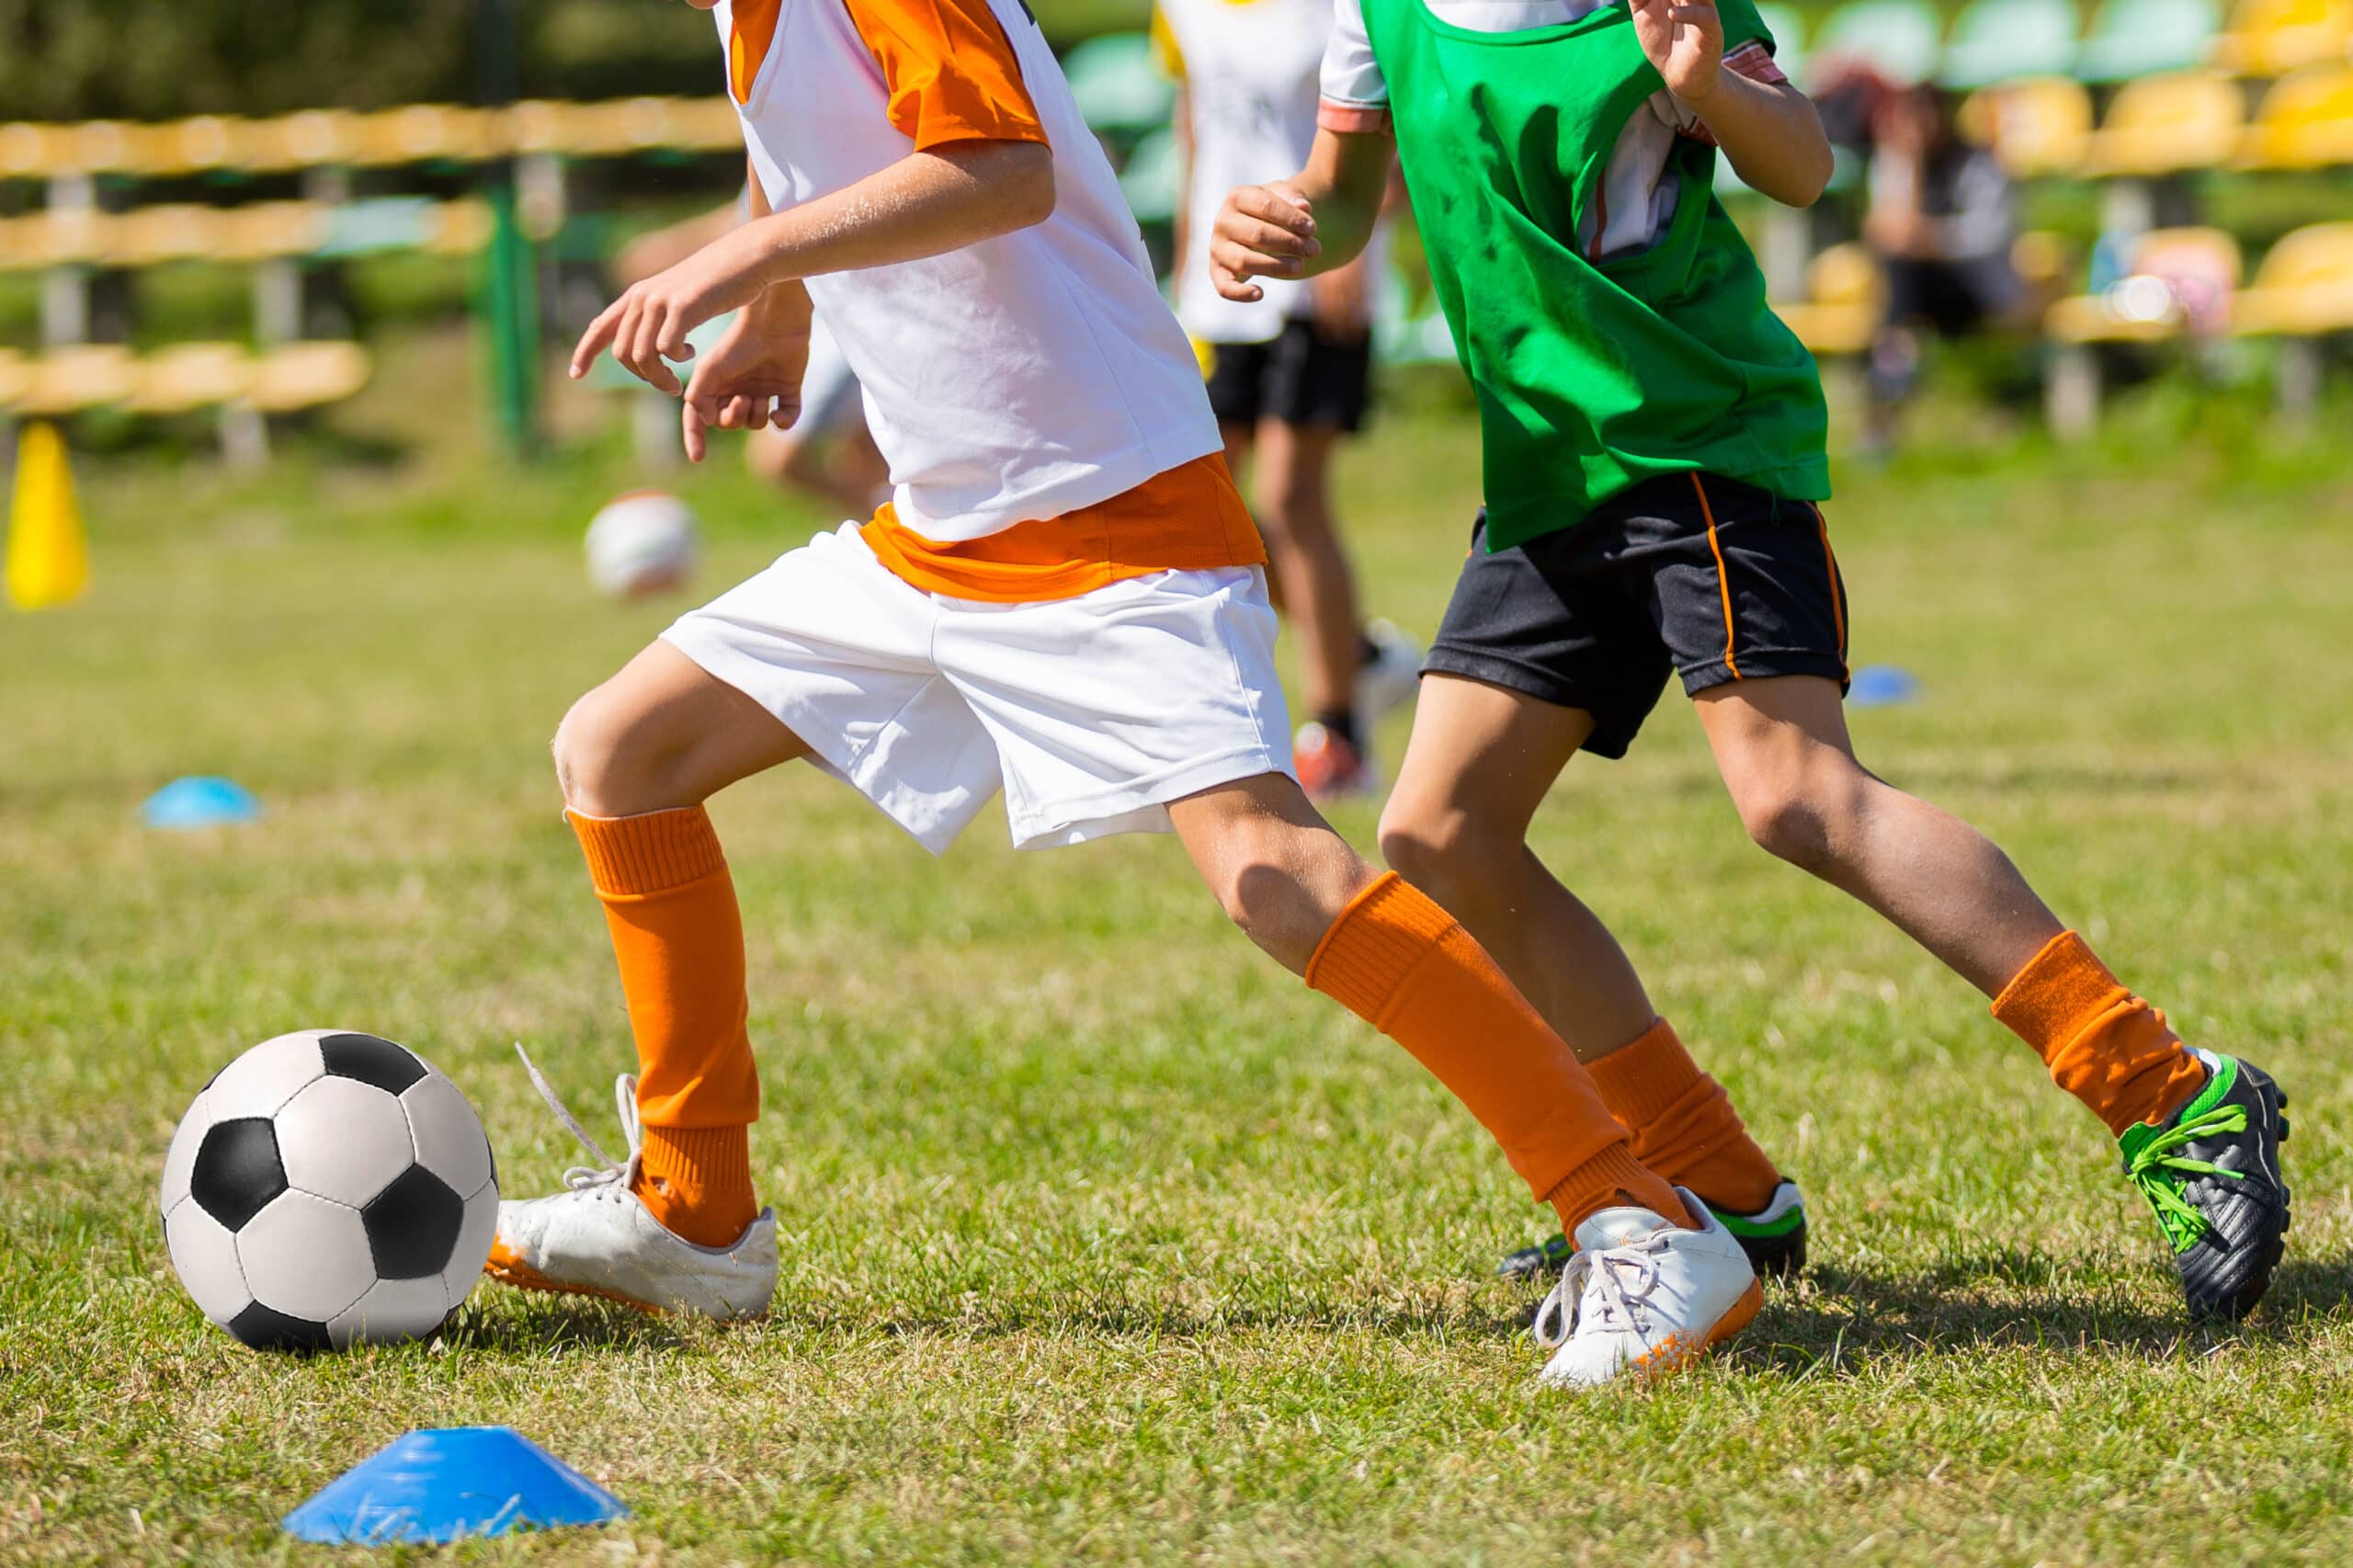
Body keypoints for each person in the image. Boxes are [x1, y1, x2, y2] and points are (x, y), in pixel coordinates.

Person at [485, 0, 1764, 1388]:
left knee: (1277, 876)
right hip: (942, 524)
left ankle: (1639, 1218)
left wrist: (744, 260)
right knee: (621, 750)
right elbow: (806, 133)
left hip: (1110, 508)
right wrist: (783, 306)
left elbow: (1001, 165)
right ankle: (695, 1210)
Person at [1211, 0, 2289, 1322]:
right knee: (1440, 829)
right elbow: (1342, 199)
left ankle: (2171, 1092)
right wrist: (1282, 222)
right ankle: (1713, 1176)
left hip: (1697, 446)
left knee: (1798, 797)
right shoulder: (1373, 12)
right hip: (1550, 479)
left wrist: (1709, 82)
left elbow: (1802, 162)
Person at [1154, 0, 1421, 800]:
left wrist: (1354, 240)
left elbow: (1391, 120)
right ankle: (1365, 662)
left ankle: (1339, 731)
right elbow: (1193, 118)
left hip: (1312, 273)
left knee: (1289, 494)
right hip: (1222, 285)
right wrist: (1182, 255)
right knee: (1206, 502)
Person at [620, 199, 891, 518]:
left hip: (857, 313)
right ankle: (891, 528)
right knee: (866, 454)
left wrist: (770, 323)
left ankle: (891, 526)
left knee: (779, 457)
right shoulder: (771, 162)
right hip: (838, 314)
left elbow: (772, 227)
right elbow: (749, 218)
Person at [1860, 83, 2027, 453]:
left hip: (1975, 288)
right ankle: (1894, 363)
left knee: (1900, 273)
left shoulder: (1979, 163)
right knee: (1899, 267)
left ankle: (1887, 382)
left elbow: (1988, 237)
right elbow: (1888, 230)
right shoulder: (1895, 161)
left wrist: (1929, 240)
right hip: (1920, 288)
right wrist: (1910, 165)